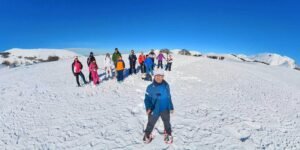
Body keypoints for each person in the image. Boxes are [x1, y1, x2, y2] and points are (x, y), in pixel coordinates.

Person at [143, 69, 174, 144]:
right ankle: (147, 134)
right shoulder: (150, 87)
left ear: (163, 77)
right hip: (154, 108)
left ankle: (168, 133)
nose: (158, 77)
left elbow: (168, 96)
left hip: (165, 108)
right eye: (157, 75)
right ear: (154, 76)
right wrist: (148, 107)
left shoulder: (166, 85)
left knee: (167, 122)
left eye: (160, 76)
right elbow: (147, 99)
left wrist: (171, 106)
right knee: (151, 122)